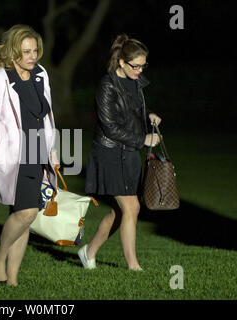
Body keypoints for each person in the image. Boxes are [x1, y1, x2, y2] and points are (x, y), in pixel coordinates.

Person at [0, 24, 58, 286]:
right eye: (26, 51)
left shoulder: (40, 74)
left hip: (38, 151)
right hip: (14, 155)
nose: (33, 56)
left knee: (24, 215)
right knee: (27, 213)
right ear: (11, 52)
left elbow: (47, 117)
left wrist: (53, 152)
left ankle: (12, 280)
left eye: (35, 50)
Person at [80, 34, 161, 271]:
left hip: (129, 153)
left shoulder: (135, 81)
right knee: (131, 207)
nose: (140, 70)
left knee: (120, 211)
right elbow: (110, 126)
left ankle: (89, 251)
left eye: (143, 65)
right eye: (135, 66)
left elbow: (131, 111)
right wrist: (143, 139)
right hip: (110, 153)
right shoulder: (107, 85)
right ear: (122, 63)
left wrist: (149, 116)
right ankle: (133, 265)